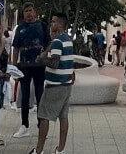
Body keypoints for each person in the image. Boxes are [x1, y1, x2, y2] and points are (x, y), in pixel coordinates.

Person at [29, 13, 74, 154]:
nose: (51, 24)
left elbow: (54, 62)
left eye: (53, 22)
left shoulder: (57, 42)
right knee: (63, 117)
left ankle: (39, 150)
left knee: (43, 117)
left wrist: (41, 60)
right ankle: (60, 149)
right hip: (66, 85)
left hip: (54, 85)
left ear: (60, 24)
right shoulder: (67, 39)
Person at [12, 3, 49, 139]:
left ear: (35, 12)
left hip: (39, 66)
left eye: (30, 10)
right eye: (26, 11)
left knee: (40, 96)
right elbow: (15, 48)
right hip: (24, 66)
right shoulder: (20, 28)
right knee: (25, 97)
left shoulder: (42, 26)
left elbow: (48, 44)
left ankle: (41, 124)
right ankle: (24, 125)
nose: (28, 13)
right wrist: (14, 66)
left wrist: (45, 56)